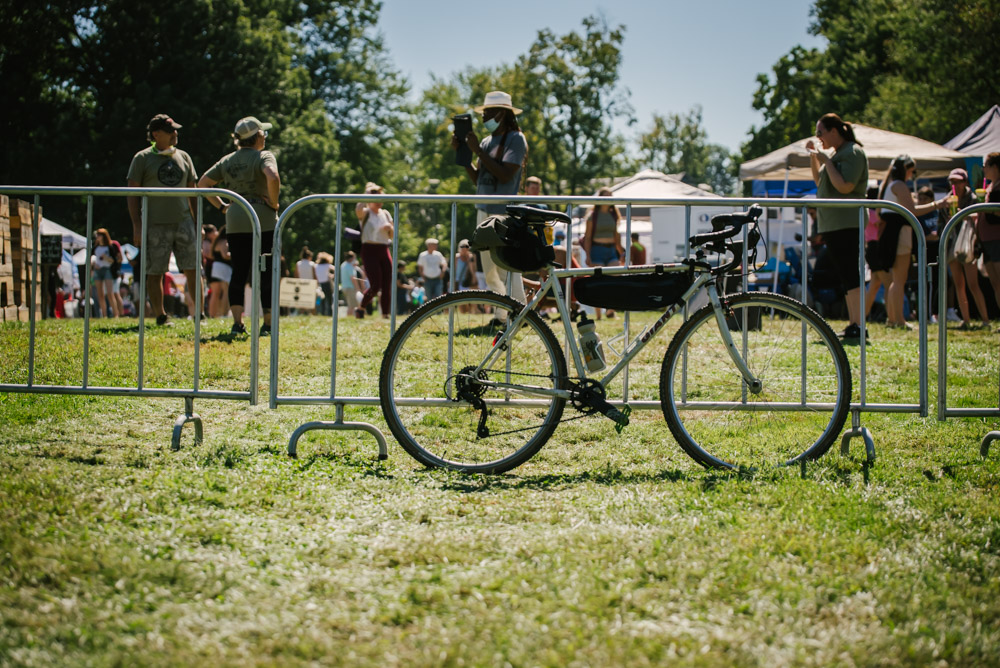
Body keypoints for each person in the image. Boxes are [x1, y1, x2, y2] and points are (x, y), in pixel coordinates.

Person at [198, 116, 280, 336]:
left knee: (239, 270)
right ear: (257, 136)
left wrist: (223, 207)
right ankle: (268, 324)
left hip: (235, 217)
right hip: (263, 218)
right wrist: (273, 203)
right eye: (263, 133)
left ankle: (237, 323)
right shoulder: (264, 156)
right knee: (266, 270)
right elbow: (273, 177)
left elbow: (203, 184)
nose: (265, 137)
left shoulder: (227, 160)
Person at [452, 91, 528, 315]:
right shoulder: (486, 141)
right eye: (483, 113)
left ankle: (520, 313)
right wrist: (464, 155)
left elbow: (505, 175)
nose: (484, 117)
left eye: (488, 113)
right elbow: (479, 179)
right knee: (489, 270)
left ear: (502, 114)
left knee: (506, 266)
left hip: (502, 212)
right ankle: (501, 315)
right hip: (483, 208)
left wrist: (478, 151)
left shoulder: (516, 139)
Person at [126, 113, 200, 326]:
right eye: (170, 131)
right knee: (155, 271)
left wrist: (198, 223)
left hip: (184, 222)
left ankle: (199, 314)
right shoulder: (142, 158)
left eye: (175, 130)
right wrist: (137, 225)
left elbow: (194, 192)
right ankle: (160, 315)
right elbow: (132, 194)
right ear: (156, 134)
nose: (175, 133)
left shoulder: (184, 157)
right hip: (154, 224)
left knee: (193, 269)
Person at [804, 113, 869, 344]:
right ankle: (854, 324)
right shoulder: (836, 154)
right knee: (845, 276)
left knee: (851, 274)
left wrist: (826, 160)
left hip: (847, 223)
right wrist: (815, 157)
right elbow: (819, 181)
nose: (818, 136)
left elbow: (845, 187)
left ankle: (859, 325)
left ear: (834, 131)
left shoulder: (853, 152)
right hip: (834, 225)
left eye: (820, 132)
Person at [867, 155, 950, 329]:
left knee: (894, 280)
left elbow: (883, 213)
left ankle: (893, 319)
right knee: (899, 279)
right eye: (911, 171)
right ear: (905, 170)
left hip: (890, 235)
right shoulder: (899, 185)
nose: (912, 175)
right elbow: (911, 211)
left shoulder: (888, 185)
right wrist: (937, 205)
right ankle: (899, 320)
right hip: (900, 233)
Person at [945, 167, 989, 329]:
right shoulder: (948, 199)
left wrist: (961, 213)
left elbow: (981, 214)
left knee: (973, 284)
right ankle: (966, 319)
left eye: (958, 181)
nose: (955, 185)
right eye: (952, 181)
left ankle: (985, 320)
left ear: (965, 182)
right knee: (958, 284)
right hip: (953, 244)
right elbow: (943, 222)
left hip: (969, 243)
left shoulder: (974, 198)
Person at [582, 187, 625, 318]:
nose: (608, 198)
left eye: (610, 196)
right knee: (598, 282)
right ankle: (598, 314)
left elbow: (616, 236)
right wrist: (588, 256)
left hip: (611, 250)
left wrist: (621, 252)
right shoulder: (592, 216)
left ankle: (610, 310)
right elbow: (588, 237)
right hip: (597, 250)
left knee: (615, 278)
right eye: (605, 195)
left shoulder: (614, 215)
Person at [355, 182, 394, 319]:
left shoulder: (385, 213)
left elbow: (392, 235)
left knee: (387, 284)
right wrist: (367, 193)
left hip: (384, 249)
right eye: (375, 198)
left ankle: (385, 314)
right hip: (369, 249)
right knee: (375, 284)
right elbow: (358, 209)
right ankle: (361, 307)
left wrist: (389, 228)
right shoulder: (366, 212)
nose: (379, 202)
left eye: (380, 198)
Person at [978, 153, 1000, 322]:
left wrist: (990, 210)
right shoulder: (990, 186)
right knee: (995, 284)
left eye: (986, 165)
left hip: (997, 239)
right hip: (986, 240)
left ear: (995, 167)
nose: (983, 169)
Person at [91, 228, 122, 318]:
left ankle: (116, 314)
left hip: (107, 270)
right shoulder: (95, 247)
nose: (97, 237)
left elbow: (114, 260)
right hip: (98, 271)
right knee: (100, 294)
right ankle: (104, 315)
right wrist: (93, 265)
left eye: (99, 235)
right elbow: (92, 258)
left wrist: (106, 258)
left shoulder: (110, 247)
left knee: (110, 293)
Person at [208, 228, 231, 318]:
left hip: (216, 266)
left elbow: (211, 255)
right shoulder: (224, 241)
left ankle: (215, 314)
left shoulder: (216, 242)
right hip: (223, 267)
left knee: (216, 293)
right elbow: (225, 255)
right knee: (226, 291)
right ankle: (224, 313)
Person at [339, 251, 362, 316]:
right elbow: (353, 278)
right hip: (350, 287)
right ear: (351, 258)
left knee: (351, 304)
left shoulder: (343, 264)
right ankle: (349, 318)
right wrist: (358, 288)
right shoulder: (349, 266)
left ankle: (350, 317)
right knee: (352, 305)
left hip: (345, 287)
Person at [314, 252, 334, 316]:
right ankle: (329, 313)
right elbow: (335, 269)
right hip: (327, 284)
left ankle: (322, 313)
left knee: (321, 300)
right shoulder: (327, 265)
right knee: (329, 300)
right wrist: (332, 276)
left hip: (319, 284)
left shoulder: (316, 266)